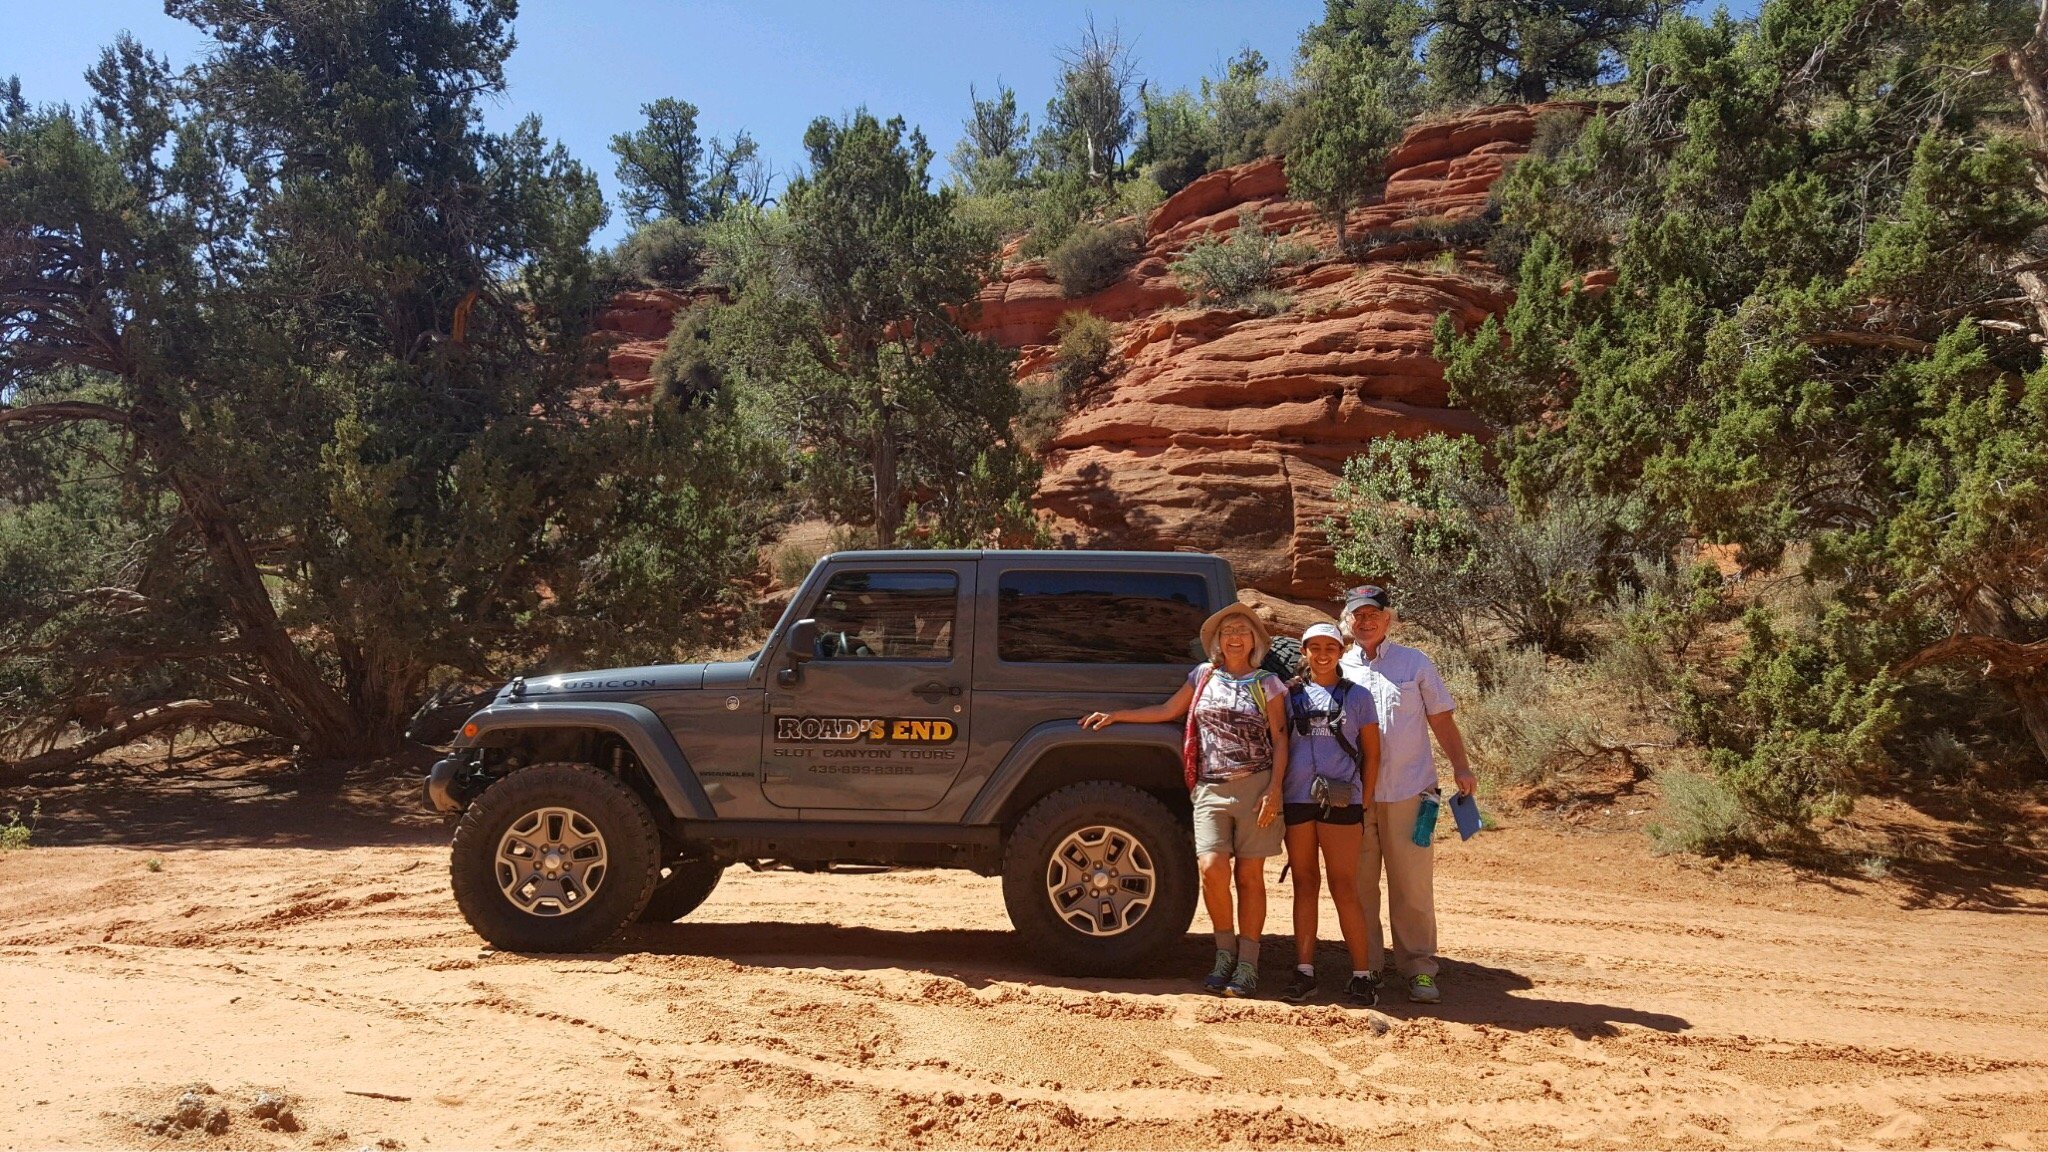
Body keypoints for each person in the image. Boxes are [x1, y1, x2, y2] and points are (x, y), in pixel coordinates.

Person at [1081, 603, 1288, 998]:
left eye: (1243, 629)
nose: (1234, 635)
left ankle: (1248, 963)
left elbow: (1280, 739)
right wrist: (1117, 716)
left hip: (1256, 788)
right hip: (1210, 788)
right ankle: (1224, 953)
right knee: (1211, 868)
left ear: (1255, 640)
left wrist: (1274, 791)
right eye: (1228, 629)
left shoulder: (1268, 684)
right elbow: (1168, 711)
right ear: (1216, 640)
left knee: (1249, 877)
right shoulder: (1203, 676)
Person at [1338, 584, 1475, 1005]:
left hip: (1410, 792)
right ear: (1347, 621)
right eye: (1356, 615)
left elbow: (1442, 720)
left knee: (1411, 886)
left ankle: (1418, 969)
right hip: (1356, 795)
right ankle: (1368, 968)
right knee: (1360, 885)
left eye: (1372, 615)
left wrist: (1461, 766)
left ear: (1388, 619)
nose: (1364, 622)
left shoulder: (1415, 663)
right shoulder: (1339, 667)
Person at [1279, 622, 1383, 1005]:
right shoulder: (1289, 695)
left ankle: (1362, 974)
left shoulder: (1358, 697)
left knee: (1343, 886)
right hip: (1297, 798)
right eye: (1315, 647)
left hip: (1342, 801)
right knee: (1305, 883)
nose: (1323, 654)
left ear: (1341, 652)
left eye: (1330, 648)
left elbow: (1373, 752)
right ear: (1304, 651)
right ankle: (1304, 971)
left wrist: (1364, 800)